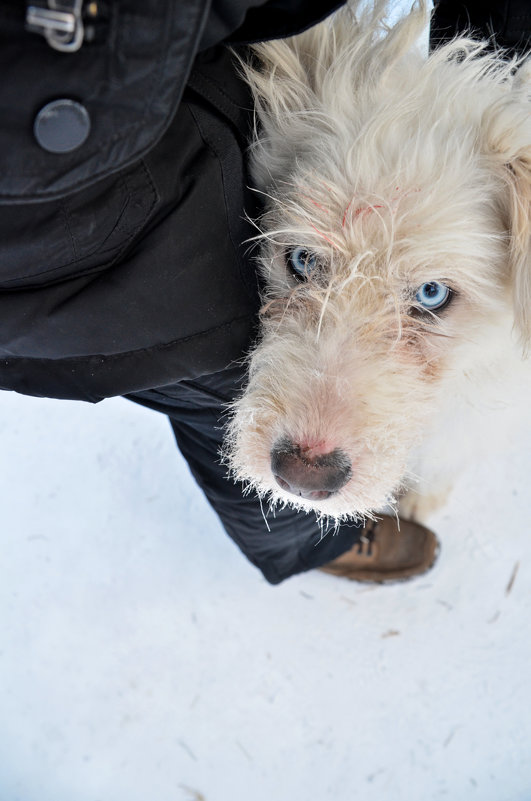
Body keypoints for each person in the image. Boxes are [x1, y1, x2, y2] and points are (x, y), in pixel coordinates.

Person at [0, 0, 528, 585]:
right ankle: (307, 545)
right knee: (215, 389)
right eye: (303, 263)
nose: (311, 447)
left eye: (430, 295)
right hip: (73, 242)